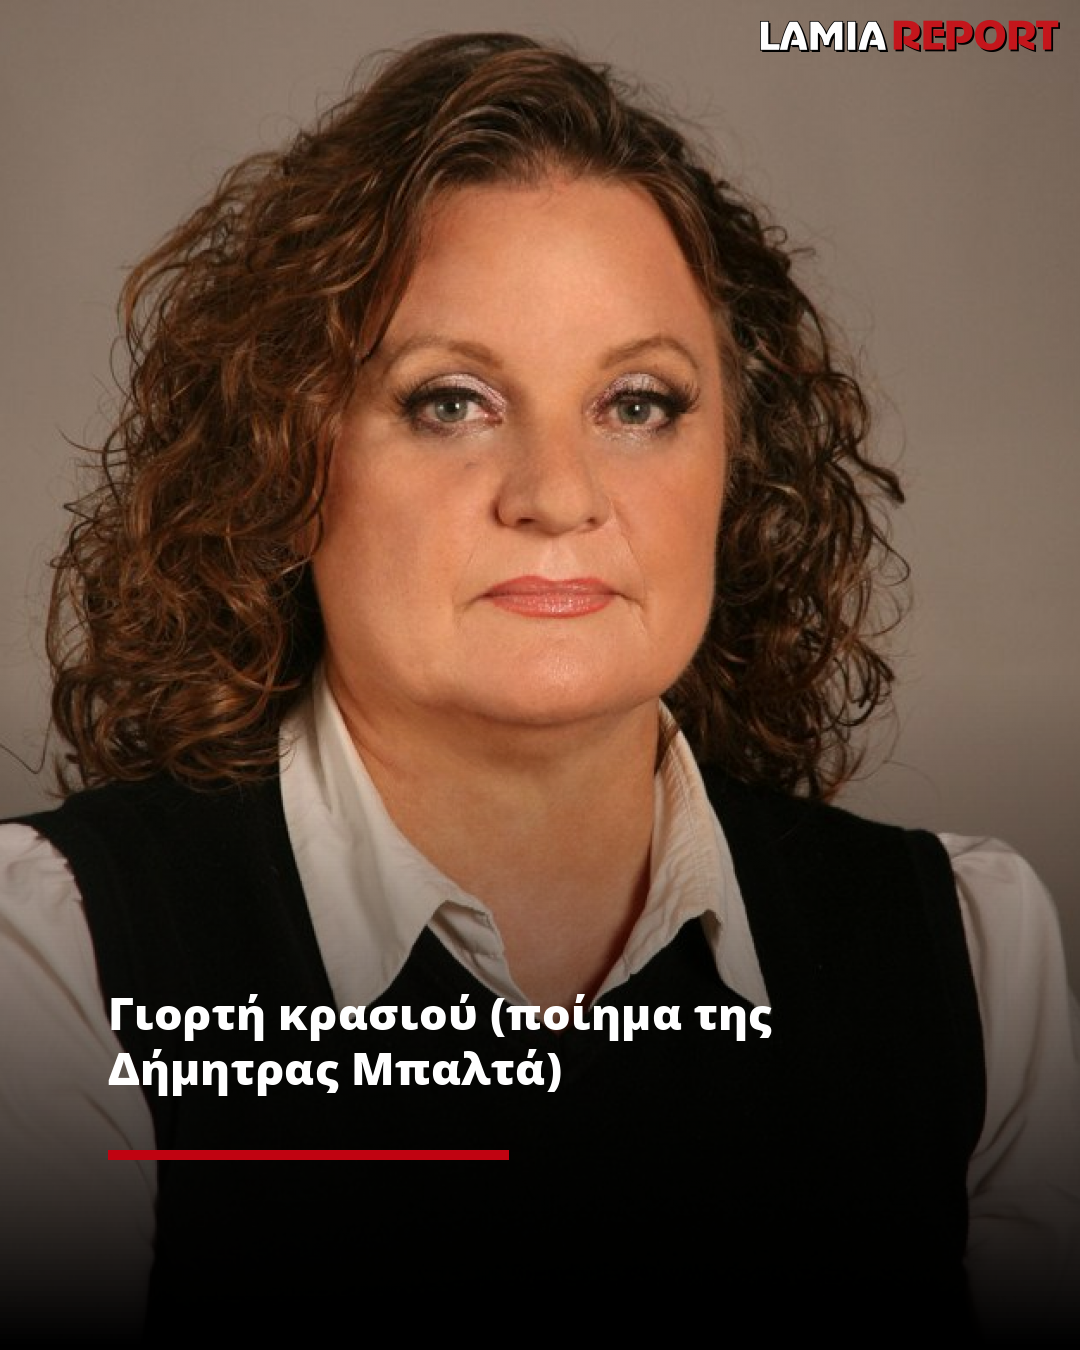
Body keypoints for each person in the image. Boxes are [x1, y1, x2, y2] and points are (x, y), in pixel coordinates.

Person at [0, 30, 1076, 1343]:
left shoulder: (968, 956)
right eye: (452, 401)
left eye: (638, 402)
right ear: (283, 458)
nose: (558, 496)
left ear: (738, 464)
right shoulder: (57, 956)